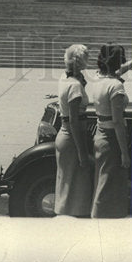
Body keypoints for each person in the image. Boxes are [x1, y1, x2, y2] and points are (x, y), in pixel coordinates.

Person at [88, 42, 132, 218]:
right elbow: (118, 122)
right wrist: (124, 153)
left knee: (102, 181)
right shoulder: (116, 87)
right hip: (112, 138)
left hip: (100, 134)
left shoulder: (98, 78)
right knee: (108, 187)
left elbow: (117, 72)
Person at [54, 43, 93, 217]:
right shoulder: (75, 87)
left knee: (66, 184)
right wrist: (82, 152)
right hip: (72, 137)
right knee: (75, 188)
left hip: (64, 135)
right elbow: (74, 121)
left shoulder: (65, 78)